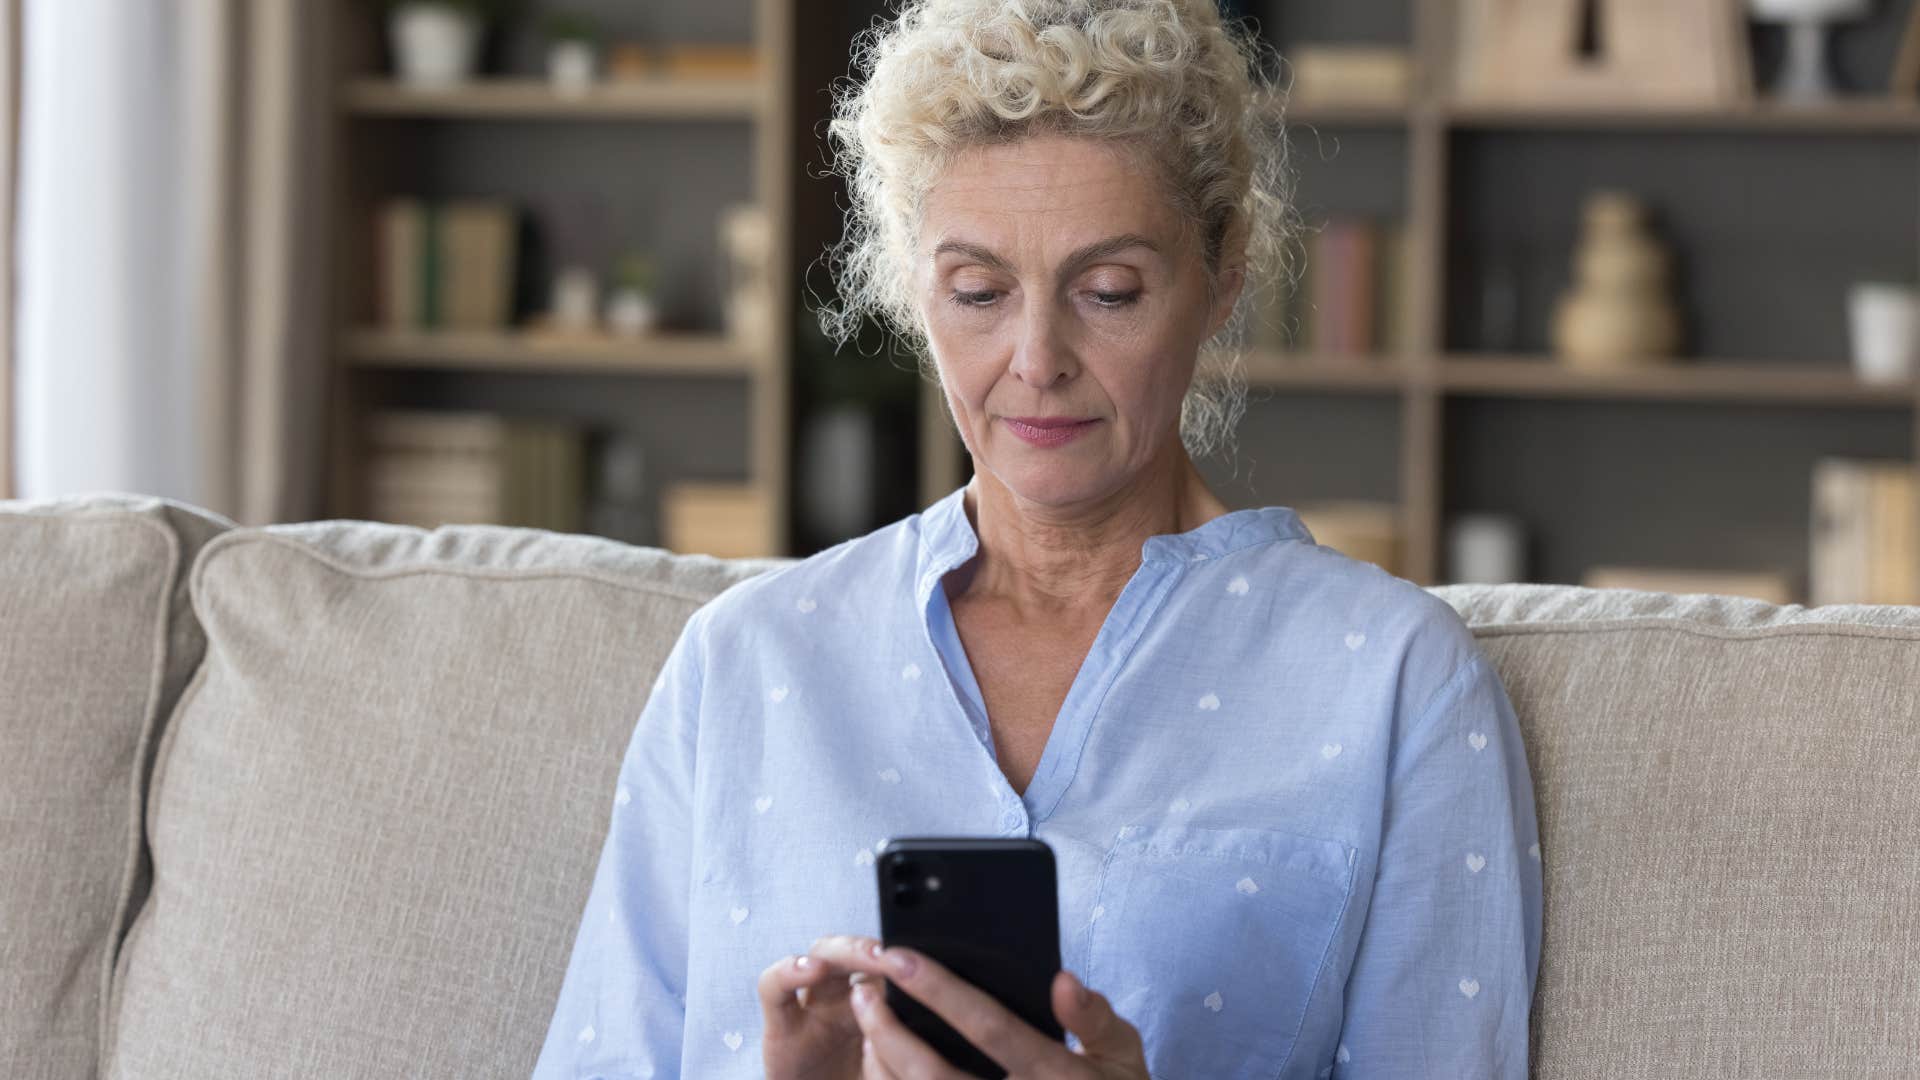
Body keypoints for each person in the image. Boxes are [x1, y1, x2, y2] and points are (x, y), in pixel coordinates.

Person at [533, 1, 1542, 1076]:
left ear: (1225, 277)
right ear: (913, 289)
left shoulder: (1393, 680)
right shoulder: (744, 663)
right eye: (977, 291)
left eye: (1108, 292)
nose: (1037, 356)